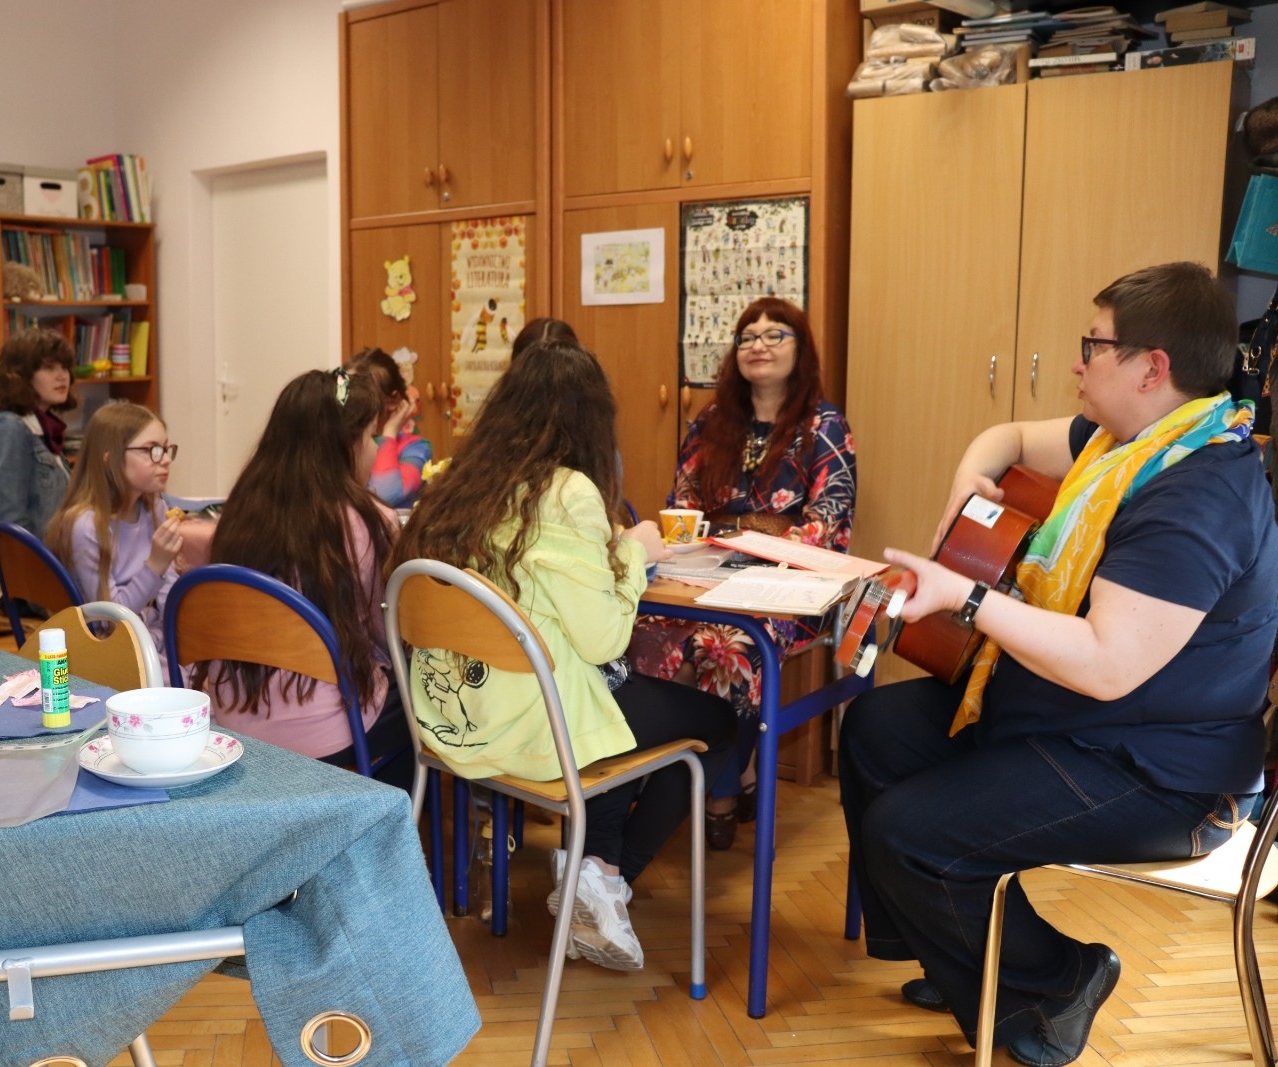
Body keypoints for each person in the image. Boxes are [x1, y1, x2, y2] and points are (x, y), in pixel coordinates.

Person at [840, 262, 1278, 1067]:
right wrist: (970, 479)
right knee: (874, 728)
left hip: (1160, 770)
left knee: (907, 834)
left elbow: (1108, 664)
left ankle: (1062, 978)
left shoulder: (1197, 494)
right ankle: (957, 956)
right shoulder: (1127, 442)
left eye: (1094, 344)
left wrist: (967, 597)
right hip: (1077, 718)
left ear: (1151, 367)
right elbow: (1007, 437)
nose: (1078, 362)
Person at [389, 340, 736, 972]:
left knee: (615, 698)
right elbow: (604, 640)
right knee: (718, 721)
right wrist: (633, 552)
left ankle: (596, 869)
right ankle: (603, 880)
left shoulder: (459, 483)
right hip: (537, 728)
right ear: (591, 419)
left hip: (453, 720)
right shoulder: (567, 491)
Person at [628, 296, 855, 849]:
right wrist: (700, 546)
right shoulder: (710, 422)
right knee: (640, 632)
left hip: (790, 585)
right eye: (748, 336)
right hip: (706, 574)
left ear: (799, 350)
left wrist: (753, 546)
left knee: (726, 646)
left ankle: (720, 792)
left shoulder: (824, 425)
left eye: (776, 335)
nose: (759, 345)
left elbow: (827, 524)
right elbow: (682, 504)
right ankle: (688, 772)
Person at [206, 367, 410, 786]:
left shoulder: (239, 513)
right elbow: (385, 634)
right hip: (329, 728)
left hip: (232, 714)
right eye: (371, 437)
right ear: (346, 446)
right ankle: (383, 820)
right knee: (421, 700)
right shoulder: (371, 520)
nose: (374, 449)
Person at [45, 402, 184, 659]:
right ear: (111, 460)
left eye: (166, 449)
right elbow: (110, 621)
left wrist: (181, 626)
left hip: (152, 639)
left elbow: (168, 590)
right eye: (152, 450)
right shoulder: (86, 526)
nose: (165, 459)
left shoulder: (155, 506)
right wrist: (155, 565)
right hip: (113, 655)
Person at [0, 329, 75, 540]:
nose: (62, 376)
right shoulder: (9, 428)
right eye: (49, 368)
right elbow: (10, 524)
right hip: (28, 558)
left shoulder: (44, 428)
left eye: (64, 367)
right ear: (20, 376)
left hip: (57, 552)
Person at [343, 347, 432, 508]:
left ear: (392, 401)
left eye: (362, 392)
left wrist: (389, 433)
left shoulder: (416, 448)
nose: (350, 400)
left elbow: (384, 495)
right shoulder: (341, 441)